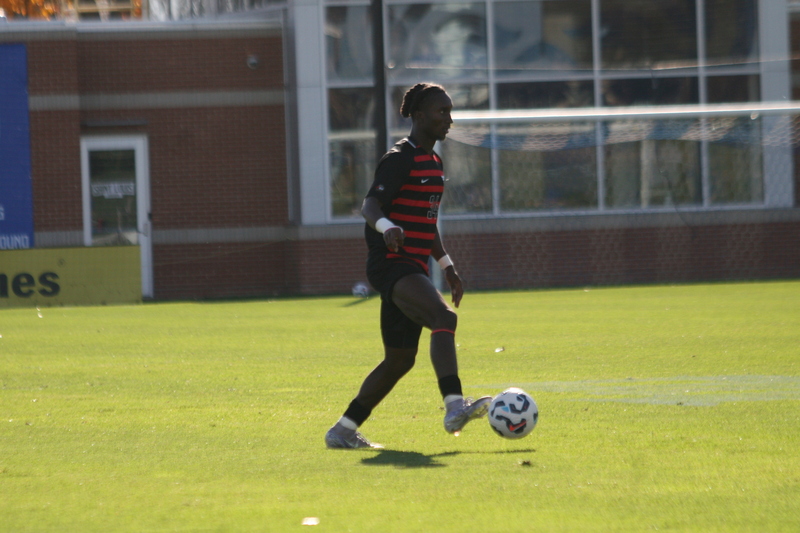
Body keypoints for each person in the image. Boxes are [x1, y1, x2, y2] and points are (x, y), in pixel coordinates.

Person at [325, 83, 492, 449]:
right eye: (441, 112)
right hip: (391, 263)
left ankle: (342, 431)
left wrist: (447, 265)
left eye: (450, 111)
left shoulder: (435, 162)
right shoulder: (400, 157)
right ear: (418, 116)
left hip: (412, 265)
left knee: (400, 359)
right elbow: (370, 206)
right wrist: (387, 227)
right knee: (443, 316)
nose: (448, 119)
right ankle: (454, 407)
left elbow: (426, 222)